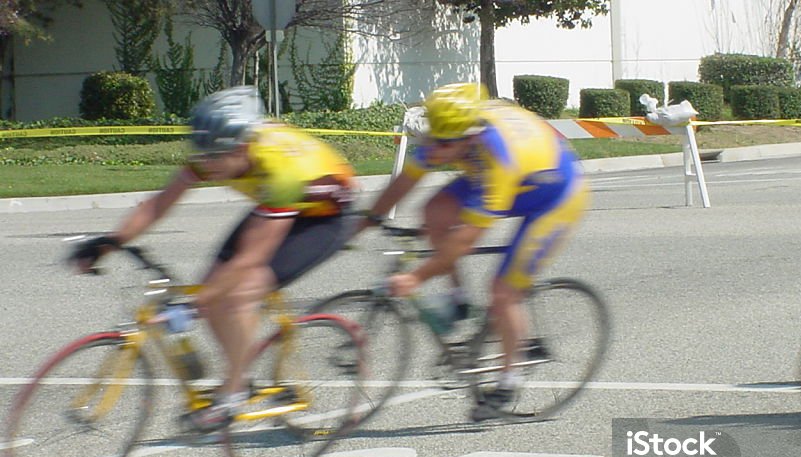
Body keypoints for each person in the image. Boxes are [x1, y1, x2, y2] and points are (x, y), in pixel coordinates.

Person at [68, 86, 359, 431]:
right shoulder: (217, 150)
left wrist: (192, 306)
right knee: (212, 291)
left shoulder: (280, 170)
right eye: (201, 156)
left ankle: (233, 395)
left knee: (237, 291)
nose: (206, 166)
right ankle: (242, 373)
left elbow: (251, 260)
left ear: (242, 146)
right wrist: (110, 242)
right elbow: (160, 203)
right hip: (274, 205)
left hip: (324, 215)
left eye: (215, 158)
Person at [359, 82, 590, 416]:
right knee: (435, 211)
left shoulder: (499, 159)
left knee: (503, 290)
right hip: (510, 172)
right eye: (432, 140)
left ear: (469, 136)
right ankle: (459, 300)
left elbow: (466, 239)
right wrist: (369, 217)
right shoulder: (449, 130)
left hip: (554, 195)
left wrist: (415, 278)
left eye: (444, 144)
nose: (434, 150)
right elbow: (406, 180)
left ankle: (509, 381)